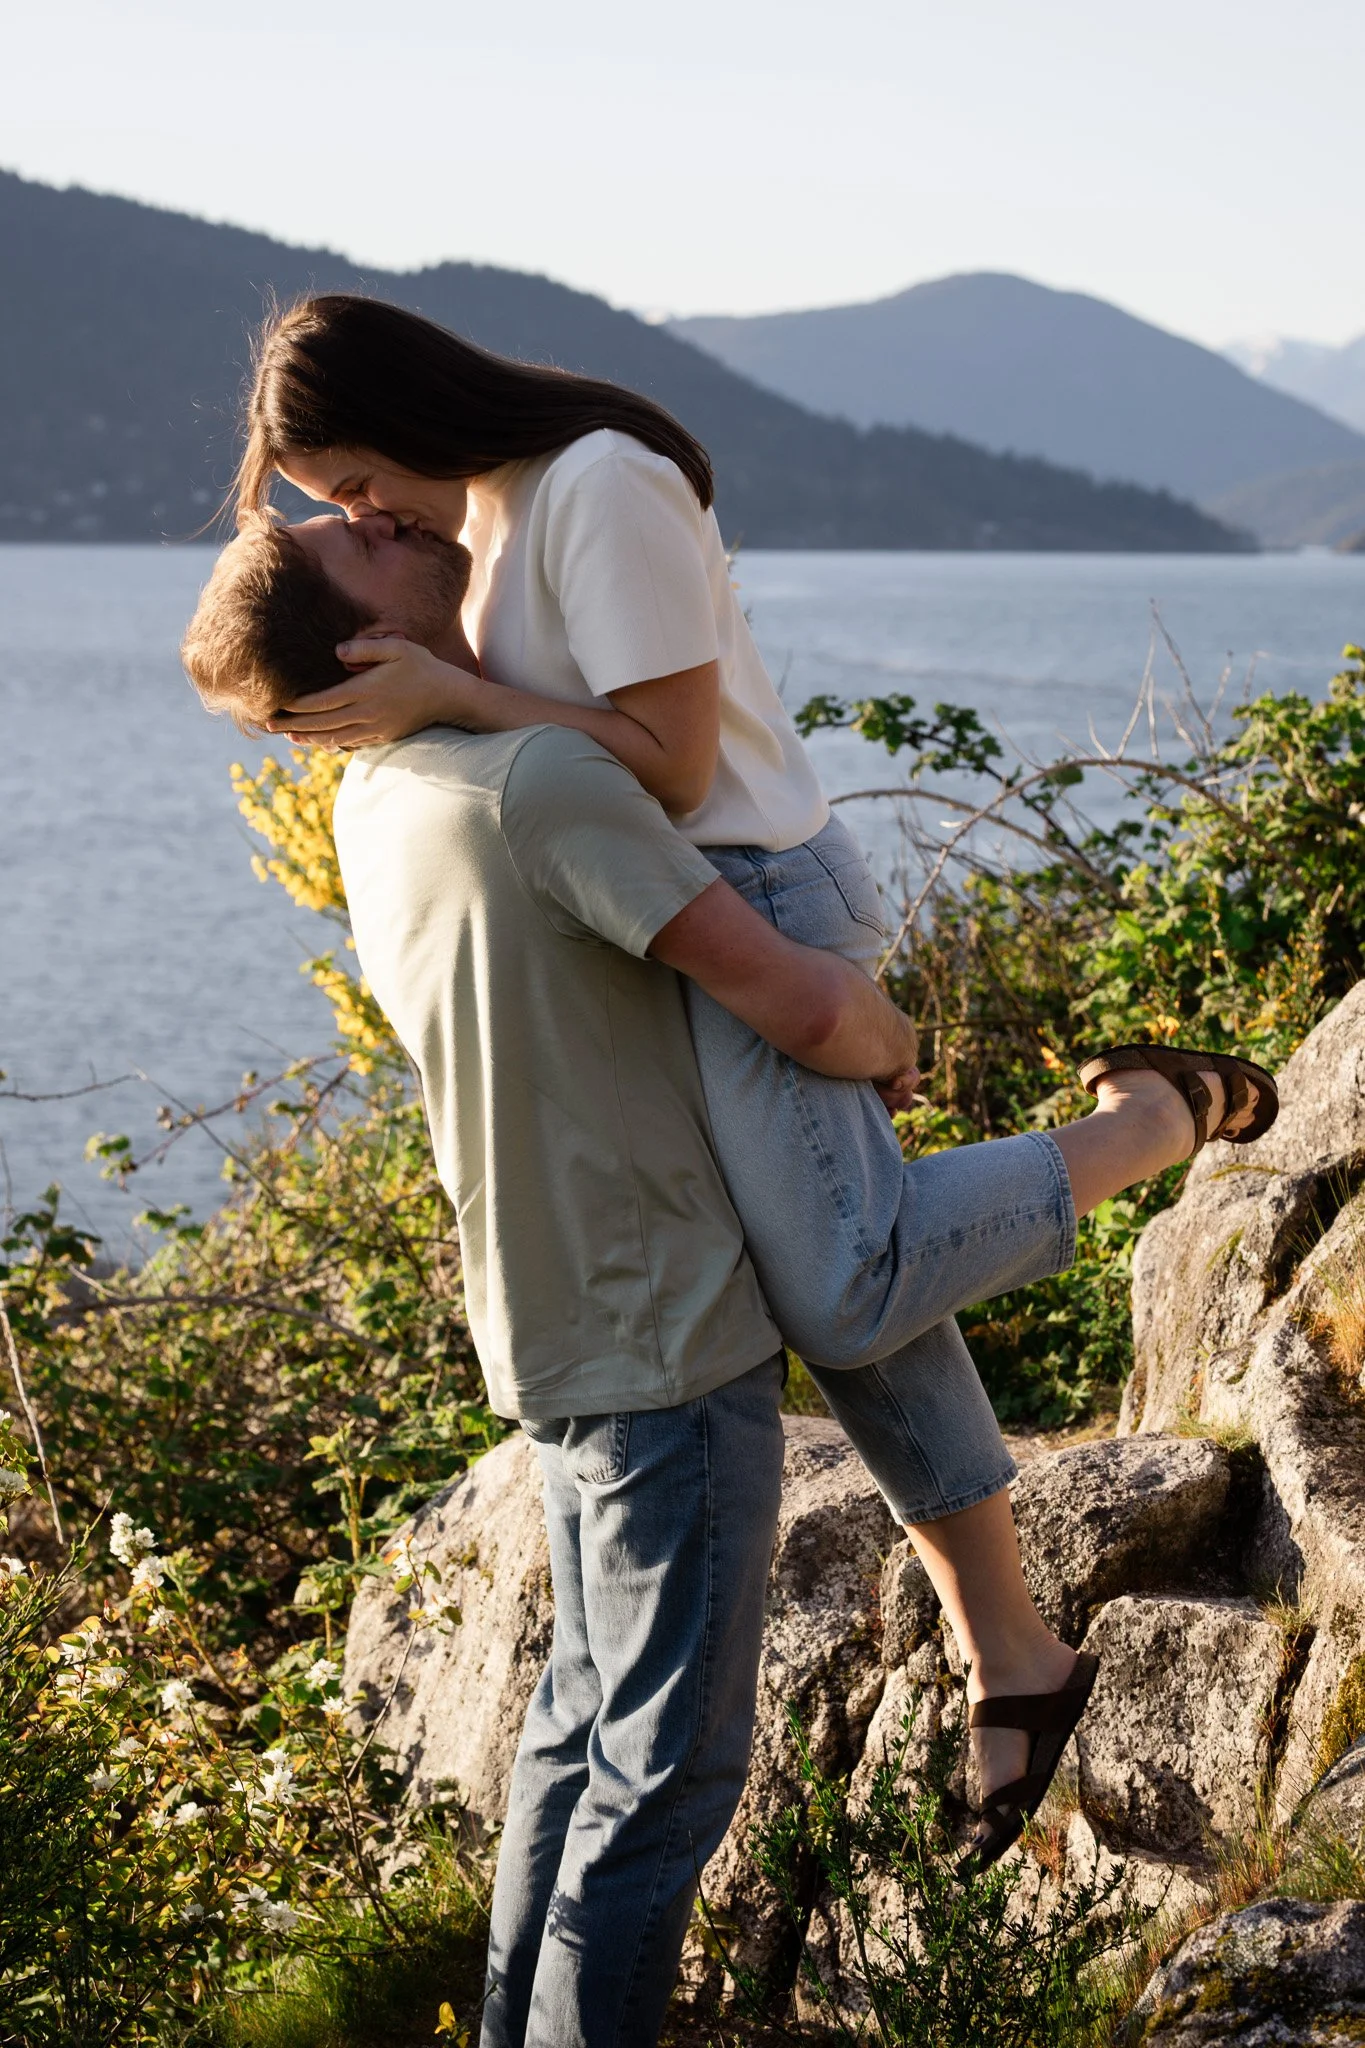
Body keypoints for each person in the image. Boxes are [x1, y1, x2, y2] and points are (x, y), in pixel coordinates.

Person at [182, 508, 1276, 2048]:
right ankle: (1157, 1118)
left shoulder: (380, 796)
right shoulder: (536, 784)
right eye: (348, 538)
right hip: (665, 1338)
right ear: (362, 643)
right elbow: (794, 996)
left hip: (548, 1324)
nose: (383, 518)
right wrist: (886, 1046)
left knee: (576, 1739)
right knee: (667, 1779)